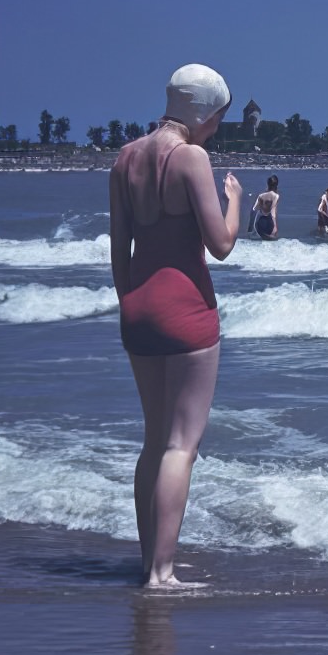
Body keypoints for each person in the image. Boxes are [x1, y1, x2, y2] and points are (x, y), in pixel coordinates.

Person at [109, 63, 243, 587]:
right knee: (181, 446)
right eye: (218, 118)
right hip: (185, 310)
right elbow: (222, 244)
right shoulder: (191, 157)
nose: (217, 128)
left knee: (154, 441)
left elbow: (120, 248)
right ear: (204, 113)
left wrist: (130, 303)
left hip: (138, 307)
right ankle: (162, 574)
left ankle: (150, 560)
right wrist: (234, 201)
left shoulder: (124, 158)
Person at [248, 174, 280, 240]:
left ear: (268, 184)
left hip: (260, 223)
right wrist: (275, 226)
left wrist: (250, 228)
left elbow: (254, 210)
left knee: (263, 241)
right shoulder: (276, 196)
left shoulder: (261, 196)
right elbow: (273, 212)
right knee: (270, 243)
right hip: (269, 223)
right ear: (276, 185)